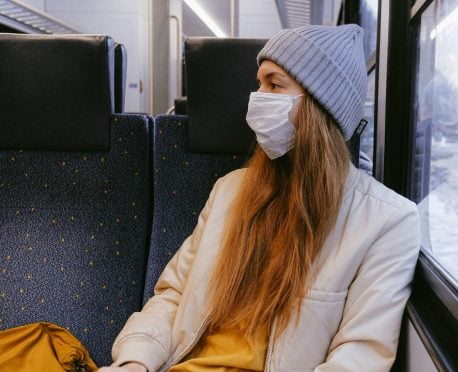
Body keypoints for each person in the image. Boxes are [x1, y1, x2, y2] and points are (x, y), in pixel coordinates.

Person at [99, 24, 420, 372]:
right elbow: (173, 295)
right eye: (259, 84)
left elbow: (359, 357)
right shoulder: (230, 190)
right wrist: (136, 361)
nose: (257, 97)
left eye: (274, 84)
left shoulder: (388, 222)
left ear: (318, 106)